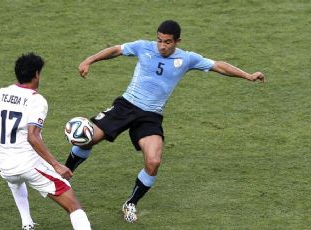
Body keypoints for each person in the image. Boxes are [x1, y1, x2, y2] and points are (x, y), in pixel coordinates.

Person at [64, 20, 265, 223]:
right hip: (126, 106)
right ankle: (63, 175)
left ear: (177, 41)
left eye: (168, 42)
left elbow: (218, 66)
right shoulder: (143, 46)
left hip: (150, 116)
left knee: (153, 162)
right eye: (159, 40)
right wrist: (89, 60)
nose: (162, 46)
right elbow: (116, 50)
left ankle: (130, 203)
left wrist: (247, 76)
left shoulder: (187, 59)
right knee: (86, 138)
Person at [0, 52, 91, 230]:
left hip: (5, 167)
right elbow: (32, 136)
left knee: (15, 180)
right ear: (36, 74)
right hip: (29, 165)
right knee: (73, 205)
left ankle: (27, 223)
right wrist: (56, 165)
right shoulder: (37, 101)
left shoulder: (1, 93)